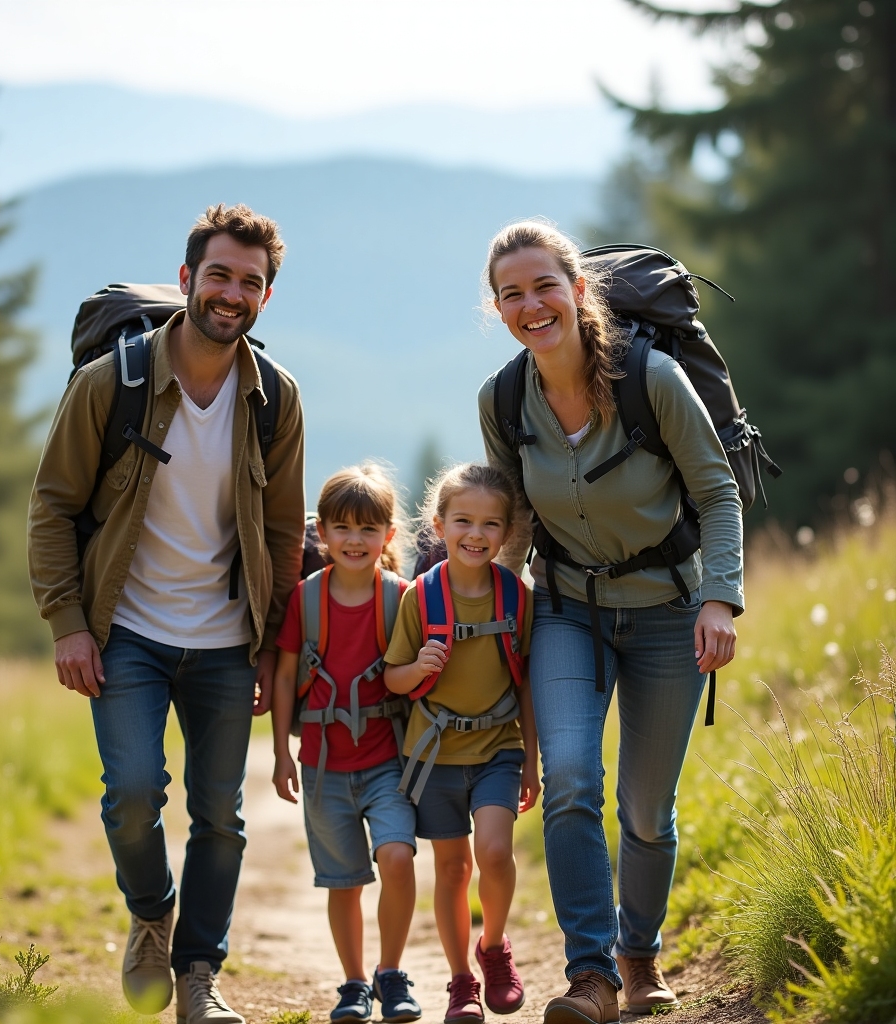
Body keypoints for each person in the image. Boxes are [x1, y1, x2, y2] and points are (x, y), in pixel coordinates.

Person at [27, 204, 306, 1024]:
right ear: (187, 280)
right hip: (129, 635)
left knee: (221, 813)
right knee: (134, 793)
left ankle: (198, 977)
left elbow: (286, 532)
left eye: (250, 283)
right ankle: (152, 913)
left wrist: (271, 644)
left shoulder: (274, 398)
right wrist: (68, 623)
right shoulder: (111, 382)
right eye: (218, 275)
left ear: (264, 299)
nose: (232, 293)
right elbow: (51, 506)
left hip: (227, 642)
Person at [478, 221, 742, 1024]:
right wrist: (487, 619)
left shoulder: (651, 378)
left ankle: (640, 957)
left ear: (578, 290)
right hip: (566, 610)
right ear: (497, 309)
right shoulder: (502, 399)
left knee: (644, 810)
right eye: (512, 294)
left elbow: (718, 490)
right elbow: (515, 521)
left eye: (544, 286)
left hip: (666, 609)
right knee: (571, 782)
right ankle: (589, 974)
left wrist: (720, 598)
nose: (531, 305)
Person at [384, 463, 540, 1024]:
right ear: (439, 524)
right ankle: (459, 982)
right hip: (434, 754)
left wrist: (533, 764)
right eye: (464, 521)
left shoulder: (517, 598)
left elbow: (525, 684)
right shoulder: (418, 598)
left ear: (507, 532)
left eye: (491, 524)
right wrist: (417, 666)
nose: (476, 534)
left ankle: (493, 948)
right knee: (451, 871)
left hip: (499, 747)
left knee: (494, 853)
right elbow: (392, 677)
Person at [271, 464, 421, 1024]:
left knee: (398, 857)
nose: (354, 541)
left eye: (367, 529)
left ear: (388, 535)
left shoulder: (400, 598)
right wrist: (282, 753)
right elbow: (286, 677)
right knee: (344, 881)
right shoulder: (305, 600)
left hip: (388, 761)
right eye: (342, 529)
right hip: (323, 765)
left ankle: (391, 973)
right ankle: (354, 984)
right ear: (322, 534)